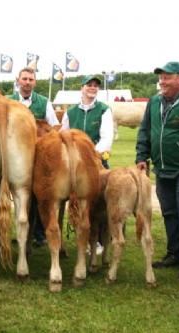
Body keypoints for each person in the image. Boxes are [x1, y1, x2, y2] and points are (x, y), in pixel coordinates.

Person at [136, 61, 179, 279]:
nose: (162, 82)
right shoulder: (154, 102)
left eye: (167, 77)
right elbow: (145, 131)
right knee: (169, 213)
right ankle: (175, 253)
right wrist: (141, 156)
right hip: (161, 169)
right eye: (161, 77)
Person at [61, 75, 114, 255]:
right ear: (82, 88)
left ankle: (100, 240)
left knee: (98, 202)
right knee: (74, 201)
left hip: (96, 161)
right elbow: (63, 135)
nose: (92, 88)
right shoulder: (71, 112)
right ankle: (81, 237)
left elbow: (107, 137)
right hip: (72, 164)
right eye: (89, 85)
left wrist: (90, 155)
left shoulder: (104, 110)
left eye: (95, 86)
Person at [8, 67, 60, 247]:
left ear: (35, 82)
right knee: (15, 194)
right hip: (13, 157)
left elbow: (54, 128)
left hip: (37, 157)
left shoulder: (44, 103)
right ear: (18, 80)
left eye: (31, 79)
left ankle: (38, 233)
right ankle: (18, 231)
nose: (27, 82)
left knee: (38, 195)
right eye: (24, 79)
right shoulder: (8, 102)